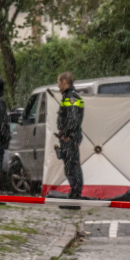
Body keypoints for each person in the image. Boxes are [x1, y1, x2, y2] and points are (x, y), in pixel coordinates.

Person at [56, 71, 84, 199]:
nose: (58, 86)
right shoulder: (69, 96)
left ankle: (76, 192)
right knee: (70, 166)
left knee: (72, 165)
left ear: (64, 82)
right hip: (70, 136)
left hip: (70, 138)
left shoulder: (71, 97)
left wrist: (66, 134)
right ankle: (74, 191)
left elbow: (73, 119)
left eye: (59, 82)